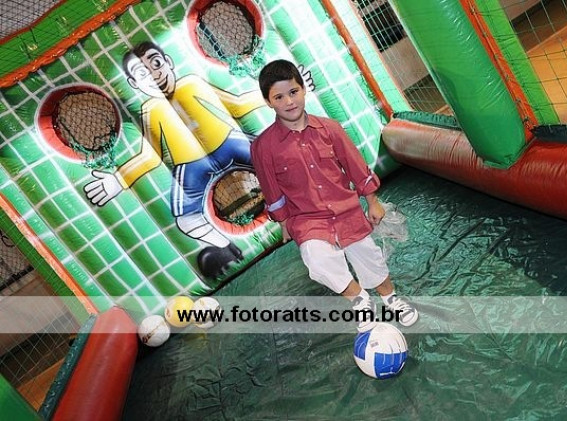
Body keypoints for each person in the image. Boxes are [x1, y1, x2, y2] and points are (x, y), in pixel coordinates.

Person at [250, 59, 418, 331]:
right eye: (279, 97)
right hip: (307, 219)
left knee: (369, 257)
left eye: (293, 92)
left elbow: (355, 166)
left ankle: (391, 299)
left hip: (346, 210)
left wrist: (372, 202)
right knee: (317, 260)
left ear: (303, 89)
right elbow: (271, 189)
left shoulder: (330, 129)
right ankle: (360, 300)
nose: (289, 102)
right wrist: (284, 223)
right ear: (268, 102)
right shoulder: (263, 146)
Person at [83, 41, 266, 279]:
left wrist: (277, 93)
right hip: (192, 166)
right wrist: (119, 179)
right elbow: (151, 155)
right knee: (187, 218)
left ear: (168, 62)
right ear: (134, 84)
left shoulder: (191, 84)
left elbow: (237, 105)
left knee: (274, 160)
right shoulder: (151, 110)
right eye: (142, 73)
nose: (154, 75)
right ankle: (225, 247)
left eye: (156, 63)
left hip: (228, 143)